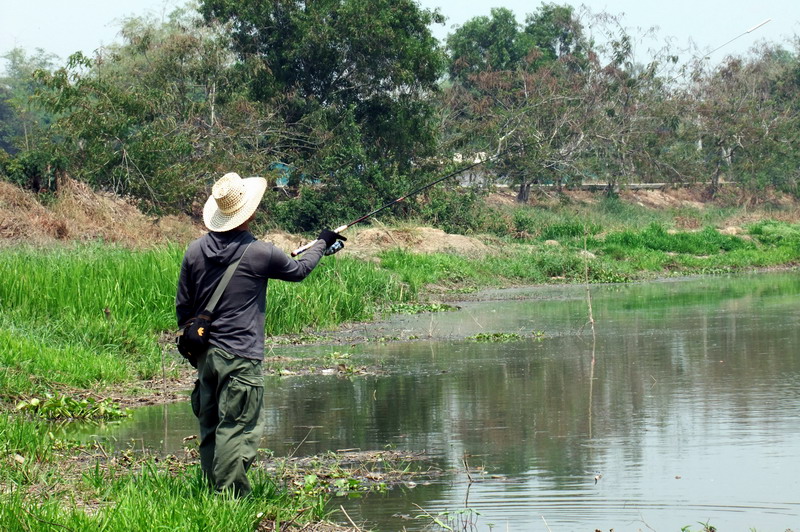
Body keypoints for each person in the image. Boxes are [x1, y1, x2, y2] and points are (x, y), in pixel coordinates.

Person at [176, 171, 344, 496]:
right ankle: (229, 500)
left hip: (205, 356)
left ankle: (214, 494)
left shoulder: (194, 251)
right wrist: (322, 243)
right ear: (249, 213)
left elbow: (184, 309)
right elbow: (299, 270)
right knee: (237, 429)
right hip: (241, 356)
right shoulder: (260, 252)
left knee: (210, 427)